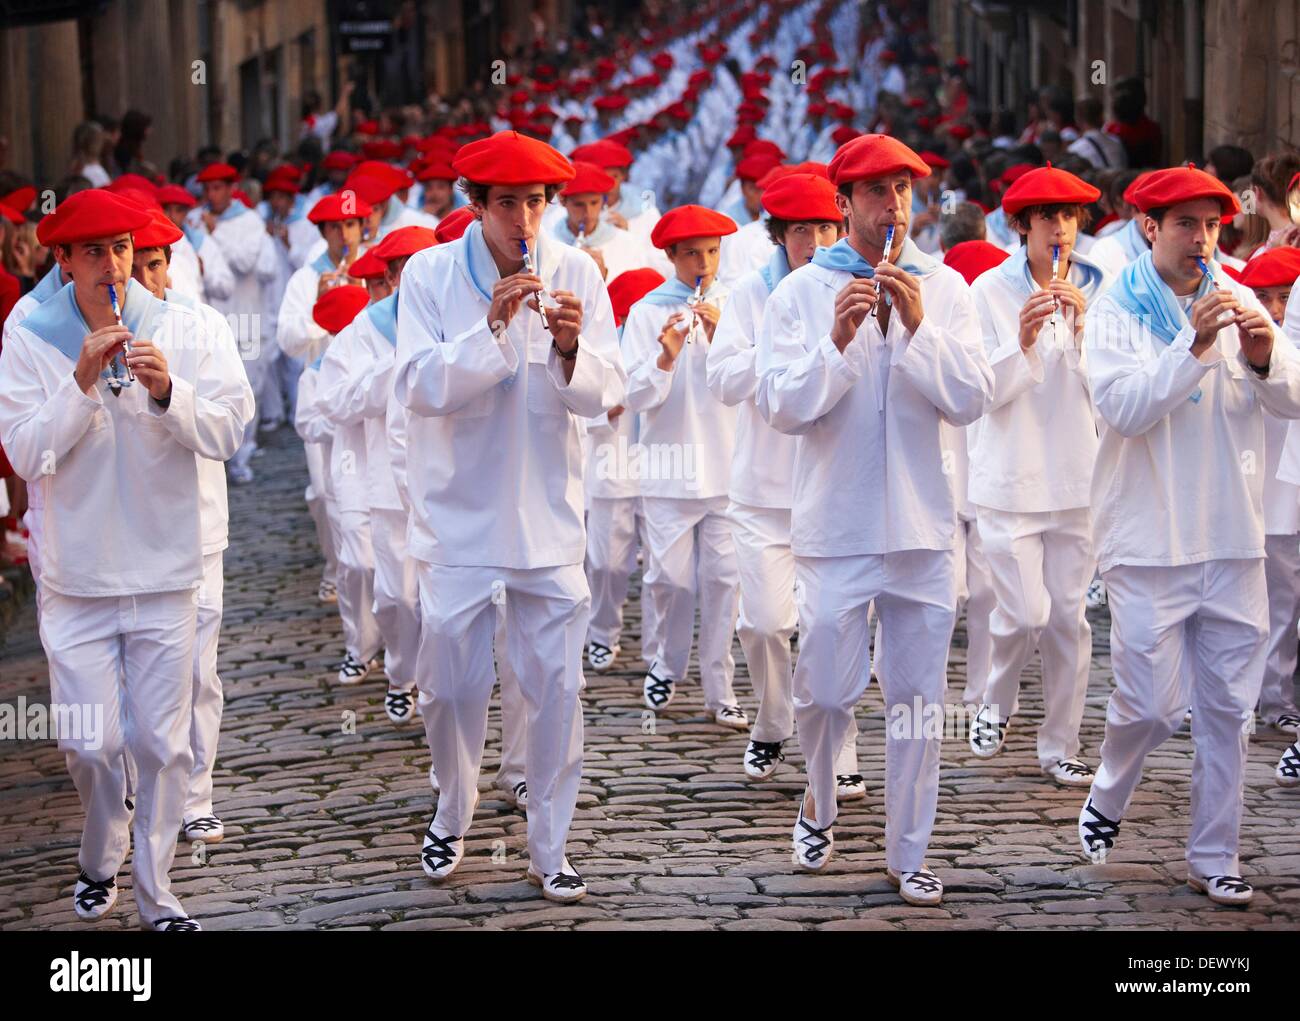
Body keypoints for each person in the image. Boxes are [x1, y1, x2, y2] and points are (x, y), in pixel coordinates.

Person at [0, 190, 254, 930]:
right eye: (92, 253)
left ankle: (157, 889)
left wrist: (169, 390)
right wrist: (80, 384)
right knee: (90, 743)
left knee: (162, 743)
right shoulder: (29, 331)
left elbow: (230, 429)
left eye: (120, 248)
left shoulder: (188, 324)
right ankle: (100, 848)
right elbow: (22, 450)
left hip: (167, 567)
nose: (112, 265)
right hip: (76, 573)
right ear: (63, 261)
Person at [754, 134, 993, 906]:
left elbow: (972, 398)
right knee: (825, 691)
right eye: (876, 192)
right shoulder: (798, 294)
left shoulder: (947, 287)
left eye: (904, 189)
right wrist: (836, 342)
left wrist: (922, 329)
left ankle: (909, 848)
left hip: (923, 528)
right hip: (835, 524)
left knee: (918, 700)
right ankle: (819, 799)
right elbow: (782, 406)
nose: (893, 205)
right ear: (844, 203)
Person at [393, 131, 625, 901]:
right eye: (506, 205)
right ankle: (452, 806)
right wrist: (489, 331)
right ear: (475, 206)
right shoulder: (428, 274)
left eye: (535, 202)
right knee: (451, 689)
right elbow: (418, 384)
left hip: (549, 519)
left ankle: (549, 842)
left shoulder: (579, 271)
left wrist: (569, 350)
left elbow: (609, 392)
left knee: (556, 687)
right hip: (457, 516)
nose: (524, 219)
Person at [1079, 165, 1300, 906]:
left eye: (1211, 224)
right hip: (1149, 538)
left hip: (1234, 534)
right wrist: (1193, 348)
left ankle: (1217, 854)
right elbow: (1126, 407)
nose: (1202, 238)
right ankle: (1109, 791)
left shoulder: (1239, 293)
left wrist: (1266, 355)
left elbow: (1290, 399)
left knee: (1228, 711)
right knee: (1150, 706)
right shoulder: (1116, 307)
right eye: (1185, 224)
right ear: (1151, 227)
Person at [706, 172, 868, 792]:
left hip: (828, 489)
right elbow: (722, 379)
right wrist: (786, 360)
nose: (815, 240)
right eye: (802, 230)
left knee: (833, 629)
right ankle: (773, 717)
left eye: (826, 227)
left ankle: (841, 745)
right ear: (779, 235)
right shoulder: (751, 294)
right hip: (761, 490)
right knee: (766, 624)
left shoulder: (854, 285)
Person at [966, 166, 1111, 785]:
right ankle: (995, 702)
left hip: (1077, 477)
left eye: (1070, 217)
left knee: (1067, 619)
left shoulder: (1103, 291)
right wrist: (1023, 343)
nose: (1061, 228)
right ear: (1021, 225)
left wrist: (1080, 336)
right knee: (1023, 613)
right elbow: (977, 393)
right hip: (1010, 477)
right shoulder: (987, 292)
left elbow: (1113, 398)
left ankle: (1061, 743)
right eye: (1048, 217)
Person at [622, 205, 747, 726]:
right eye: (693, 253)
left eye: (713, 252)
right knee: (669, 580)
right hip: (669, 468)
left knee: (724, 580)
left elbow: (751, 384)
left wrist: (723, 342)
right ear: (671, 255)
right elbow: (632, 394)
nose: (704, 263)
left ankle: (721, 687)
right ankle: (666, 664)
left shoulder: (736, 305)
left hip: (726, 467)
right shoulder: (648, 311)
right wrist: (665, 357)